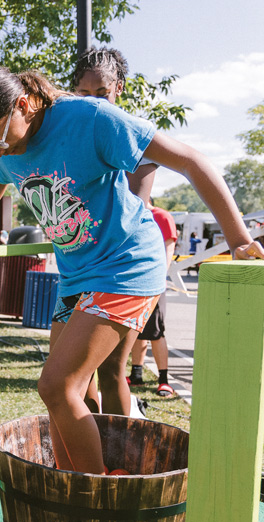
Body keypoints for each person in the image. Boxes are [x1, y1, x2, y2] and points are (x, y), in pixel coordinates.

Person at [0, 67, 264, 473]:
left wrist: (239, 240)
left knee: (56, 386)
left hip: (125, 267)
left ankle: (97, 497)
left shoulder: (89, 119)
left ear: (23, 104)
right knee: (76, 392)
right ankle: (75, 480)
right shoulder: (8, 150)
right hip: (76, 276)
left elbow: (191, 161)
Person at [72, 46, 157, 416]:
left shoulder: (127, 129)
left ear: (118, 88)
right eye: (84, 94)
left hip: (121, 264)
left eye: (101, 93)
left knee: (110, 369)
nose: (93, 102)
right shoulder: (76, 130)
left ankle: (119, 459)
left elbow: (139, 192)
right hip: (82, 264)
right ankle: (91, 444)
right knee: (80, 372)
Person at [129, 202, 179, 397]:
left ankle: (164, 380)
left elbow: (169, 248)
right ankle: (136, 375)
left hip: (154, 283)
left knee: (156, 332)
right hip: (133, 282)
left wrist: (159, 277)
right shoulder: (129, 213)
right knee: (135, 328)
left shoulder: (162, 216)